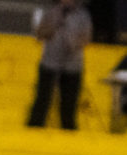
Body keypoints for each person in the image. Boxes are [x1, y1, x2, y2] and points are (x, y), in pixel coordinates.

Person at [26, 0, 92, 130]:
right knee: (42, 100)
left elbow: (86, 38)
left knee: (69, 104)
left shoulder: (83, 16)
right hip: (50, 62)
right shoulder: (52, 12)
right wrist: (55, 23)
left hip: (73, 64)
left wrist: (72, 41)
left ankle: (68, 133)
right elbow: (40, 34)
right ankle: (34, 130)